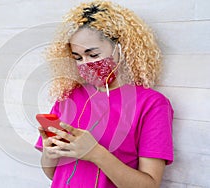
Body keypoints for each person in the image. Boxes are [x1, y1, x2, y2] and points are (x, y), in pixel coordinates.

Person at [35, 1, 174, 187]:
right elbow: (53, 174)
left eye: (93, 55)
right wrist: (49, 154)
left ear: (121, 49)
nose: (85, 64)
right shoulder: (68, 97)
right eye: (78, 57)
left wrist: (95, 153)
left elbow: (149, 184)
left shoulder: (151, 104)